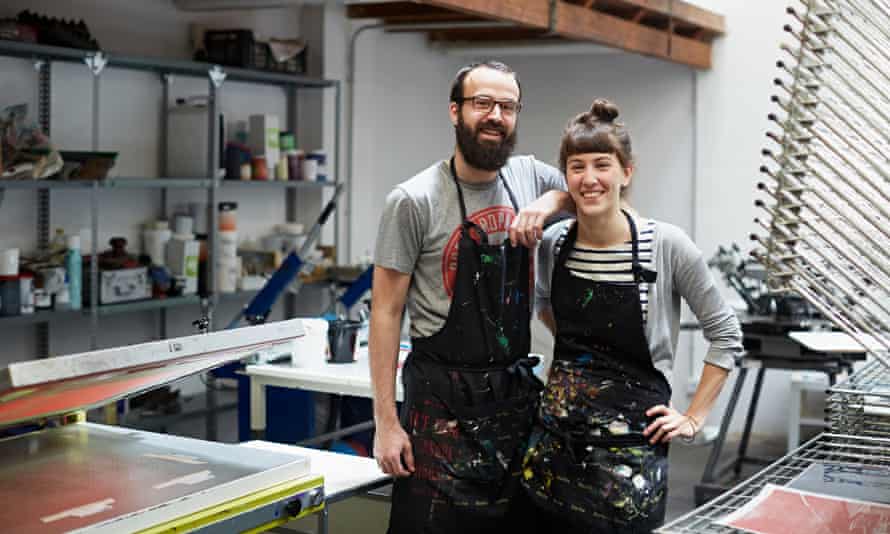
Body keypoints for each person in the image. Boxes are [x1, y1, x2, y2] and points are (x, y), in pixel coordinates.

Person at [520, 98, 743, 533]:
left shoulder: (666, 246)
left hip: (629, 462)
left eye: (602, 165)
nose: (589, 179)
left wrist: (694, 418)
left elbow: (726, 334)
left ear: (626, 172)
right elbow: (544, 305)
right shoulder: (554, 244)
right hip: (553, 449)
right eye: (577, 166)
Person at [369, 61, 573, 534]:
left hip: (511, 401)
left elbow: (590, 190)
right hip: (439, 406)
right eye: (483, 103)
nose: (495, 115)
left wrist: (548, 203)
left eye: (507, 106)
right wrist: (385, 422)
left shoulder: (527, 177)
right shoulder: (414, 199)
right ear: (455, 112)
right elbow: (385, 311)